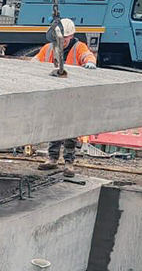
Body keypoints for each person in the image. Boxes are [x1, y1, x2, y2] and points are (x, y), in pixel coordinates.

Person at [33, 18, 98, 177]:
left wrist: (90, 63)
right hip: (55, 95)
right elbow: (35, 61)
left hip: (73, 96)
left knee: (71, 130)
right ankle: (52, 158)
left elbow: (87, 56)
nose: (61, 42)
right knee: (54, 127)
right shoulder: (48, 48)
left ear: (71, 36)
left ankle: (69, 162)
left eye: (65, 39)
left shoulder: (78, 47)